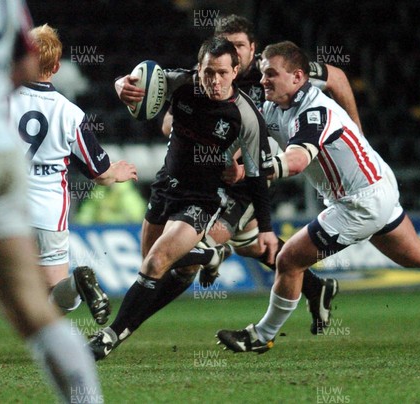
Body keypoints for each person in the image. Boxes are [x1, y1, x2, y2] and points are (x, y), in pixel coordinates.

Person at [216, 41, 420, 353]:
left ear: (297, 77)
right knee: (418, 255)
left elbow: (297, 160)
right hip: (376, 186)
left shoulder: (314, 112)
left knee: (289, 260)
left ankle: (261, 336)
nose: (263, 80)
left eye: (271, 74)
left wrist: (255, 171)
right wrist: (232, 160)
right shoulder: (277, 105)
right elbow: (256, 134)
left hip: (359, 202)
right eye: (263, 73)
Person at [117, 14, 365, 335]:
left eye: (239, 47)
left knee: (197, 251)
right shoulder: (212, 75)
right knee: (252, 246)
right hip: (217, 175)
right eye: (227, 47)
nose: (233, 53)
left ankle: (123, 328)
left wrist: (357, 133)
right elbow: (168, 121)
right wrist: (130, 88)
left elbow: (339, 79)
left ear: (252, 49)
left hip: (254, 174)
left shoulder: (272, 69)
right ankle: (316, 287)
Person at [0, 24, 139, 374]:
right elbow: (99, 172)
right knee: (53, 303)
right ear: (55, 69)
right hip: (49, 216)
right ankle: (77, 285)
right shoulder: (71, 113)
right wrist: (119, 171)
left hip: (1, 209)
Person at [87, 36, 279, 360]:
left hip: (202, 198)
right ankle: (208, 257)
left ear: (235, 71)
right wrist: (122, 86)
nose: (213, 81)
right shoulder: (182, 82)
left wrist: (266, 227)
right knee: (151, 271)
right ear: (198, 68)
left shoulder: (246, 117)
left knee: (156, 263)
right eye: (207, 72)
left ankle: (111, 335)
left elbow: (257, 175)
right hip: (166, 187)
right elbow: (138, 79)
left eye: (221, 73)